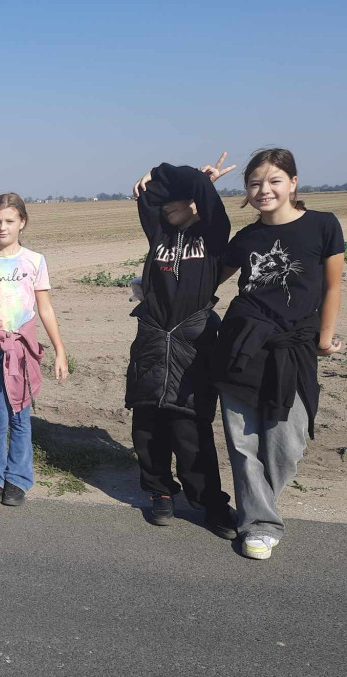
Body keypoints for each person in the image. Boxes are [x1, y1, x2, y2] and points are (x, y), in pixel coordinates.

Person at [212, 148, 344, 560]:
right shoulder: (247, 238)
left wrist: (325, 337)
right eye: (254, 183)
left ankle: (258, 506)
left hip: (295, 346)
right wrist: (199, 193)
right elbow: (207, 277)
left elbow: (333, 285)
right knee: (243, 441)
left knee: (288, 443)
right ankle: (261, 523)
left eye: (273, 181)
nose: (263, 190)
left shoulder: (323, 225)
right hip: (242, 344)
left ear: (293, 183)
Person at [125, 154, 239, 539]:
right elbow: (147, 194)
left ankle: (210, 503)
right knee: (147, 425)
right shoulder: (158, 232)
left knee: (191, 428)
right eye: (165, 201)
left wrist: (197, 183)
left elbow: (202, 197)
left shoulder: (212, 236)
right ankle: (159, 490)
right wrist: (150, 179)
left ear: (194, 202)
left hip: (192, 343)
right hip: (153, 339)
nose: (166, 206)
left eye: (177, 200)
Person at [0, 193, 68, 508]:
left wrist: (60, 350)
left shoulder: (35, 261)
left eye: (9, 221)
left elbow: (45, 309)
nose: (2, 227)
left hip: (23, 350)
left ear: (22, 222)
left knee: (20, 415)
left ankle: (18, 478)